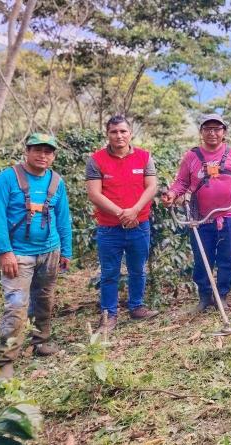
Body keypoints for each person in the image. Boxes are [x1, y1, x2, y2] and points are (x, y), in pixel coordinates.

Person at [0, 133, 72, 378]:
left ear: (53, 156)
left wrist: (66, 250)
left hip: (50, 251)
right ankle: (4, 360)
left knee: (44, 299)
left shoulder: (56, 181)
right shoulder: (7, 178)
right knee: (16, 305)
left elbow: (63, 218)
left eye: (48, 151)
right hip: (18, 255)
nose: (42, 155)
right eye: (37, 150)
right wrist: (5, 252)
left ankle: (40, 342)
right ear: (27, 151)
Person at [161, 114, 231, 311]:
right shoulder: (192, 156)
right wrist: (172, 194)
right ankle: (204, 296)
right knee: (202, 258)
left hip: (229, 214)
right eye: (208, 129)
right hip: (200, 217)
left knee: (227, 257)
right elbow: (181, 182)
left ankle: (222, 295)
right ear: (201, 132)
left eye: (217, 129)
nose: (212, 133)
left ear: (224, 132)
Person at [86, 116, 159, 333]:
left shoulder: (144, 157)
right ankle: (109, 315)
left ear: (130, 133)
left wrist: (135, 210)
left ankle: (136, 307)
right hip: (109, 228)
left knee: (138, 269)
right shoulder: (96, 160)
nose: (119, 136)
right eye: (114, 132)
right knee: (109, 272)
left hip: (139, 225)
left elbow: (152, 187)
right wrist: (121, 213)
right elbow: (94, 194)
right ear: (107, 134)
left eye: (123, 131)